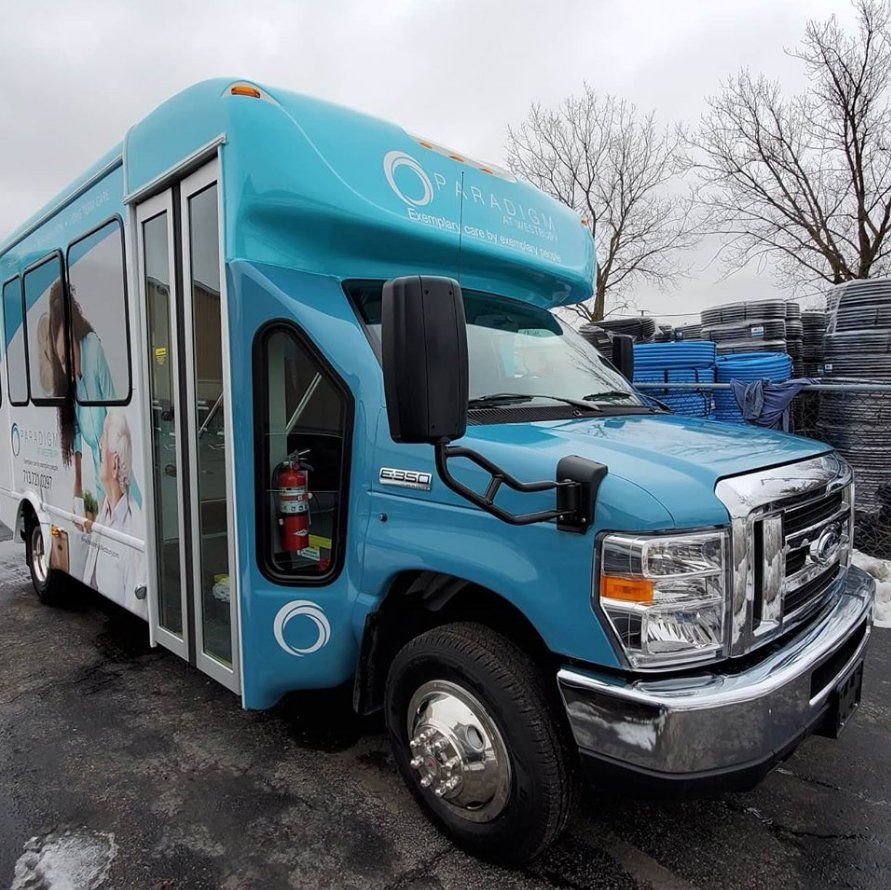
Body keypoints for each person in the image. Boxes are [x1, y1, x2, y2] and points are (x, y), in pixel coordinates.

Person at [47, 281, 141, 511]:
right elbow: (77, 435)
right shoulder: (71, 388)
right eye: (61, 360)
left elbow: (112, 405)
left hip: (118, 466)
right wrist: (77, 486)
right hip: (103, 476)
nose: (67, 362)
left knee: (130, 516)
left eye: (69, 350)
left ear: (76, 338)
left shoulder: (92, 348)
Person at [82, 410, 144, 611]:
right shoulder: (104, 514)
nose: (99, 444)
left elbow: (133, 605)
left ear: (115, 464)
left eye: (104, 437)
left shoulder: (132, 533)